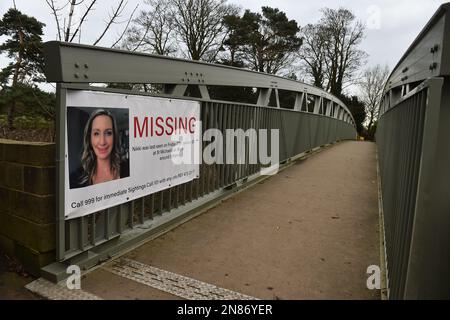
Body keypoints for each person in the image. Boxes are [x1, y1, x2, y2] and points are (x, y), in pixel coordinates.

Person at [70, 109, 129, 189]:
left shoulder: (127, 168)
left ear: (115, 137)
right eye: (96, 133)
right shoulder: (75, 179)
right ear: (89, 138)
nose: (102, 142)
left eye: (108, 133)